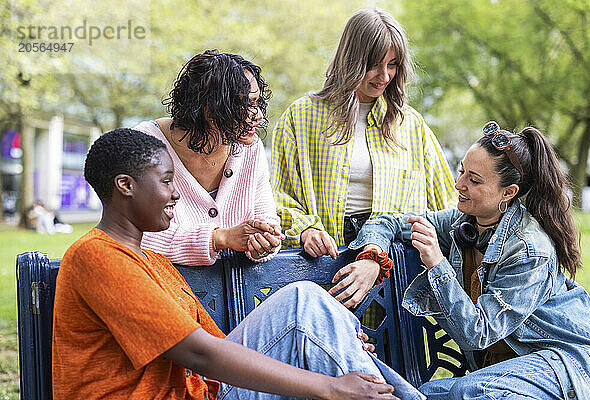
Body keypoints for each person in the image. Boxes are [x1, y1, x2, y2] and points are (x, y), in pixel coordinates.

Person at [52, 128, 425, 400]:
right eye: (166, 181)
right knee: (304, 307)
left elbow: (216, 344)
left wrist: (331, 329)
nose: (177, 193)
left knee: (307, 302)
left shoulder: (152, 261)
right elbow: (199, 353)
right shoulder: (96, 255)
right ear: (125, 185)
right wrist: (331, 387)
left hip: (204, 391)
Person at [346, 121, 590, 399]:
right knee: (425, 394)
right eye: (462, 172)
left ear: (509, 192)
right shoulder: (463, 223)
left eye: (474, 180)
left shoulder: (530, 250)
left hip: (565, 361)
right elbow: (388, 221)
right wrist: (373, 257)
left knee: (470, 390)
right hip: (509, 370)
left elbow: (477, 334)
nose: (459, 185)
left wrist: (436, 262)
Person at [270, 8, 456, 308]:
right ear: (351, 61)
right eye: (373, 65)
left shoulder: (410, 124)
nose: (384, 76)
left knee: (392, 352)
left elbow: (446, 202)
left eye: (393, 65)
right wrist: (304, 228)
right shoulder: (302, 116)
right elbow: (274, 195)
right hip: (325, 263)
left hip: (396, 268)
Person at [135, 50, 283, 266]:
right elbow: (139, 235)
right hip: (165, 293)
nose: (259, 115)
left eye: (258, 103)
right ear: (211, 109)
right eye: (248, 105)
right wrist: (219, 238)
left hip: (235, 292)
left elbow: (267, 220)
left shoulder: (251, 149)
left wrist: (264, 242)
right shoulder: (144, 144)